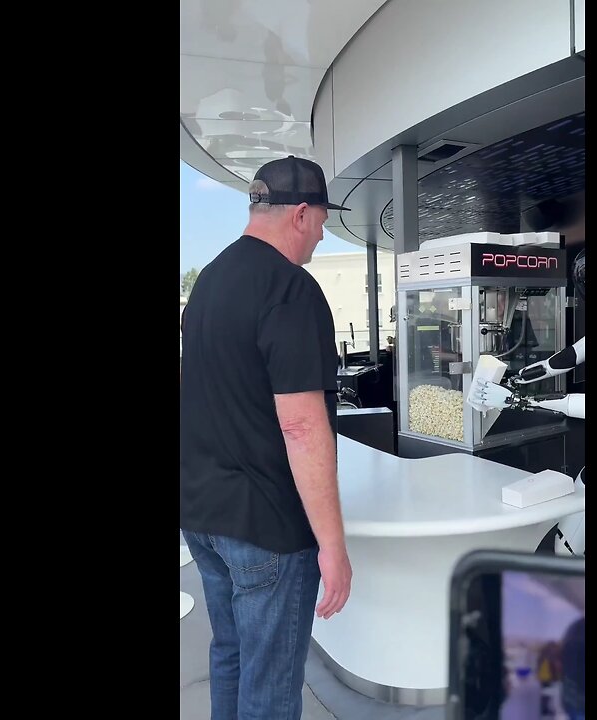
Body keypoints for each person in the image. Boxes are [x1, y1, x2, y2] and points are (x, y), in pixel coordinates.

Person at [180, 156, 353, 719]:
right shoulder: (291, 291)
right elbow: (302, 425)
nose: (322, 237)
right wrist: (332, 546)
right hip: (267, 531)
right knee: (271, 684)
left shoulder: (210, 280)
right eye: (323, 222)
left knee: (230, 658)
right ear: (300, 214)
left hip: (204, 515)